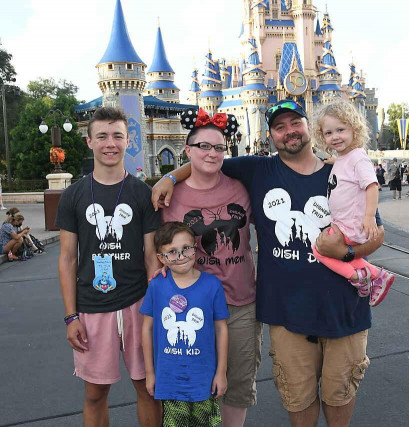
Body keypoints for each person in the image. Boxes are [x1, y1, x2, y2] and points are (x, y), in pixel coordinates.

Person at [152, 100, 384, 427]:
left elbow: (376, 234)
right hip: (287, 312)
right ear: (272, 135)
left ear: (309, 127)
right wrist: (171, 178)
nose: (289, 131)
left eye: (295, 123)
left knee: (340, 393)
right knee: (298, 395)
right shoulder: (257, 170)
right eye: (279, 126)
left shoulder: (341, 170)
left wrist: (345, 253)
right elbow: (208, 157)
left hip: (344, 308)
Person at [55, 107, 163, 425]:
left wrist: (155, 310)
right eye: (102, 136)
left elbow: (150, 256)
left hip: (137, 304)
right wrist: (70, 316)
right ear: (89, 141)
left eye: (117, 135)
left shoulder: (142, 193)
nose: (110, 143)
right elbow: (67, 259)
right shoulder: (73, 196)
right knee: (94, 393)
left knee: (147, 389)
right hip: (91, 308)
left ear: (128, 141)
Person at [158, 107, 260, 427]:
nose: (212, 153)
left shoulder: (242, 189)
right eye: (203, 146)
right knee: (192, 385)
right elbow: (156, 246)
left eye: (219, 147)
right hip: (190, 308)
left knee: (238, 382)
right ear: (188, 150)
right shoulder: (169, 197)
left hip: (240, 305)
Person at [141, 222, 229, 426]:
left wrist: (221, 372)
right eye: (172, 252)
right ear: (161, 258)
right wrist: (150, 373)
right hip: (170, 381)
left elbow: (221, 328)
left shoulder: (212, 285)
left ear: (195, 248)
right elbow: (146, 328)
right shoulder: (156, 286)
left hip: (204, 381)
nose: (180, 256)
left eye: (186, 249)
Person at [311, 100, 394, 307]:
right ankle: (376, 274)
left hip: (353, 224)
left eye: (340, 129)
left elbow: (372, 186)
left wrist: (369, 217)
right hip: (344, 223)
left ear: (354, 129)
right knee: (333, 251)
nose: (335, 136)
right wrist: (333, 161)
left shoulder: (358, 157)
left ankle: (360, 278)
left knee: (319, 249)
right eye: (329, 133)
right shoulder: (343, 158)